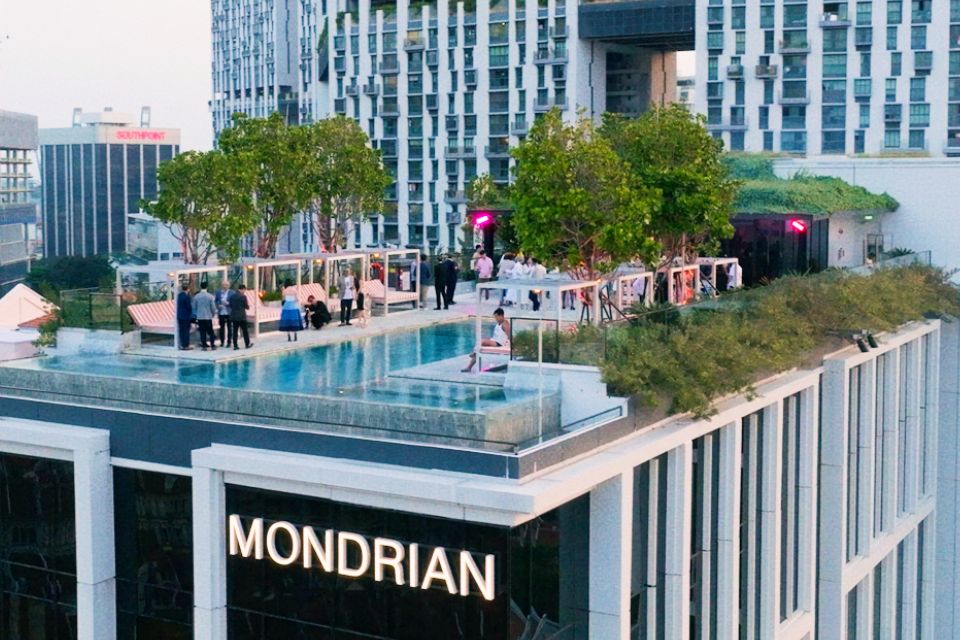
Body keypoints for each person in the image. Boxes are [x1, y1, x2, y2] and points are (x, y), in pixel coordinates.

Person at [461, 308, 511, 372]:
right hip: (495, 341)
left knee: (482, 342)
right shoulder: (499, 323)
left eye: (496, 317)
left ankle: (474, 353)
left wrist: (512, 346)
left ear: (501, 316)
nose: (495, 318)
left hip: (499, 343)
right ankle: (469, 366)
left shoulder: (505, 323)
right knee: (479, 347)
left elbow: (509, 334)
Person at [192, 282, 218, 351]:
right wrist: (213, 314)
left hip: (200, 317)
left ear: (200, 287)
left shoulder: (196, 296)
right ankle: (212, 345)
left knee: (202, 332)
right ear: (207, 287)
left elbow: (194, 307)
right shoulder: (210, 296)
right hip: (208, 316)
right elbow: (213, 307)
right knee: (211, 331)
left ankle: (204, 346)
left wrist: (196, 314)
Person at [229, 284, 253, 350]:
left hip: (234, 316)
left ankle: (235, 346)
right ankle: (247, 344)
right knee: (245, 331)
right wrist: (247, 306)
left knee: (235, 331)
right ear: (242, 289)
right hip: (242, 316)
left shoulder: (232, 296)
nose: (244, 291)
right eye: (244, 290)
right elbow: (246, 306)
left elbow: (230, 305)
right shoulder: (243, 297)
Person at [214, 280, 232, 347]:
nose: (225, 286)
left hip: (229, 312)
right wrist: (218, 305)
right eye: (224, 285)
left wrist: (228, 303)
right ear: (222, 285)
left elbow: (233, 302)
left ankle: (229, 342)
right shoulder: (218, 292)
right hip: (221, 312)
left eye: (227, 285)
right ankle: (222, 342)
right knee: (221, 328)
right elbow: (216, 301)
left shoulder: (231, 292)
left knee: (229, 328)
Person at [175, 284, 193, 351]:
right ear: (188, 289)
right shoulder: (187, 296)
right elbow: (188, 306)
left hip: (179, 315)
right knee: (186, 331)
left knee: (181, 330)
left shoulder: (179, 296)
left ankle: (182, 344)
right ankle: (186, 345)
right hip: (186, 316)